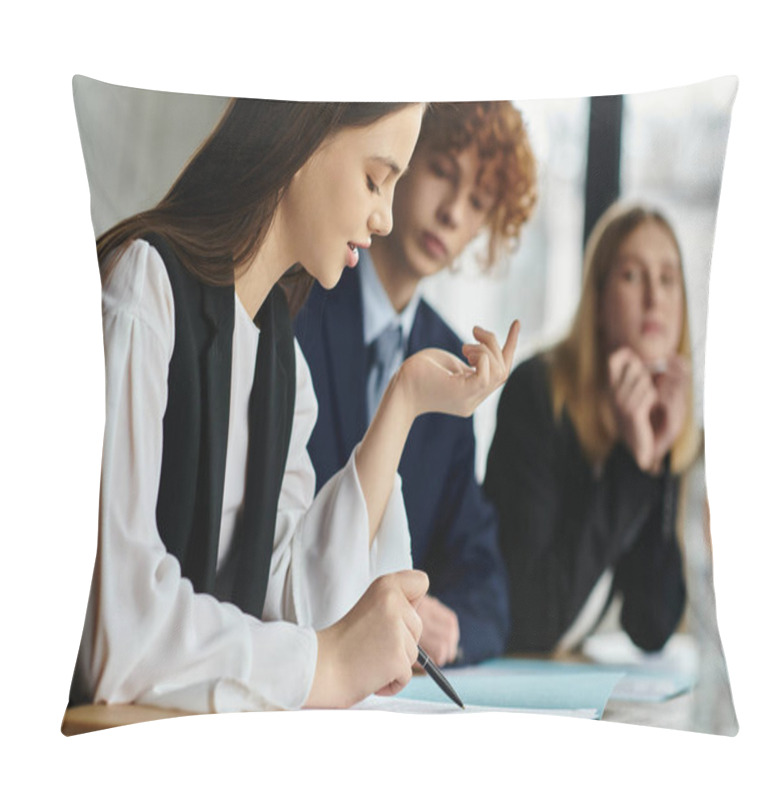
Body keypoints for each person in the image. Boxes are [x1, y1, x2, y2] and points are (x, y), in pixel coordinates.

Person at [69, 97, 520, 714]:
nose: (385, 217)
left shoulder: (282, 365)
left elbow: (297, 606)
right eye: (373, 179)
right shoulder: (144, 290)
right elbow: (115, 633)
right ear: (303, 138)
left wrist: (406, 401)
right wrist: (328, 662)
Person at [295, 101, 537, 666]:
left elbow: (487, 590)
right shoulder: (301, 299)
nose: (453, 212)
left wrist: (442, 626)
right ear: (401, 162)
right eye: (443, 173)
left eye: (477, 202)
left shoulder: (455, 363)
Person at [484, 202, 701, 655]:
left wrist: (654, 461)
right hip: (504, 665)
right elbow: (532, 620)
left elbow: (652, 625)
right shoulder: (538, 393)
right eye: (631, 276)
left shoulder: (661, 412)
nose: (654, 298)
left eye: (667, 279)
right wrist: (629, 465)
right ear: (598, 300)